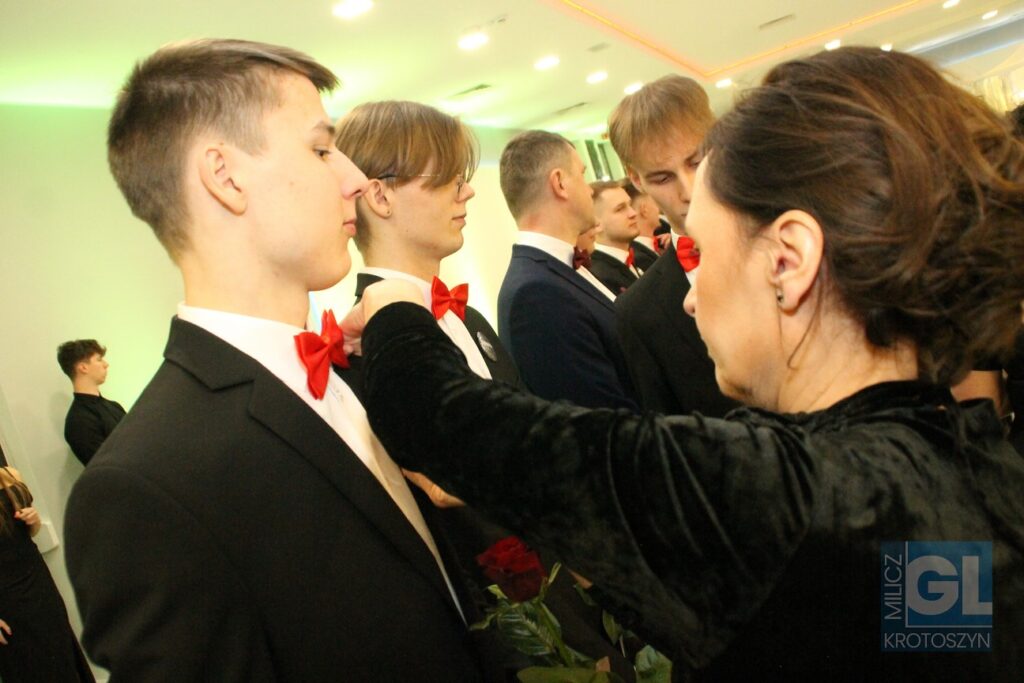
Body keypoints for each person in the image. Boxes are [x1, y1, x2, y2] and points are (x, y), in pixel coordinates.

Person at [346, 47, 1024, 679]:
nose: (692, 297)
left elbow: (429, 411)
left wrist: (392, 303)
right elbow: (917, 639)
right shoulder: (957, 457)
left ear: (789, 261)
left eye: (708, 247)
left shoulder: (781, 492)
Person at [64, 39, 483, 682]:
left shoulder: (360, 368)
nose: (353, 179)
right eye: (320, 149)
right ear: (225, 176)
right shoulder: (145, 488)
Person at [333, 100, 635, 680]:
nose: (467, 192)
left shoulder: (468, 318)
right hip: (509, 634)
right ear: (381, 196)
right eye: (448, 179)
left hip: (576, 594)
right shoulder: (368, 353)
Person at [610, 75, 737, 417]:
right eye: (663, 177)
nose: (689, 189)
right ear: (636, 180)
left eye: (696, 162)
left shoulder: (791, 241)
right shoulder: (638, 313)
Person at [496, 131, 638, 410]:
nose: (590, 190)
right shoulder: (535, 294)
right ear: (560, 183)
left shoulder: (560, 269)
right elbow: (598, 415)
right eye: (582, 175)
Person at [0, 461, 94, 682]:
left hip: (38, 582)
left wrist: (33, 520)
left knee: (62, 651)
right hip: (7, 601)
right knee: (31, 666)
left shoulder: (10, 475)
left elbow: (28, 533)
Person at [57, 340, 126, 466]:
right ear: (83, 367)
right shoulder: (78, 421)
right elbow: (106, 468)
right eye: (99, 359)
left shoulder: (114, 406)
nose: (106, 364)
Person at [588, 181, 642, 296]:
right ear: (596, 223)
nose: (633, 213)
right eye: (620, 209)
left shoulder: (631, 257)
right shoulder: (600, 274)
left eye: (630, 205)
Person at [622, 184, 661, 271]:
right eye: (655, 203)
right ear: (644, 210)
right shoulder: (639, 257)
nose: (659, 209)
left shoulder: (660, 245)